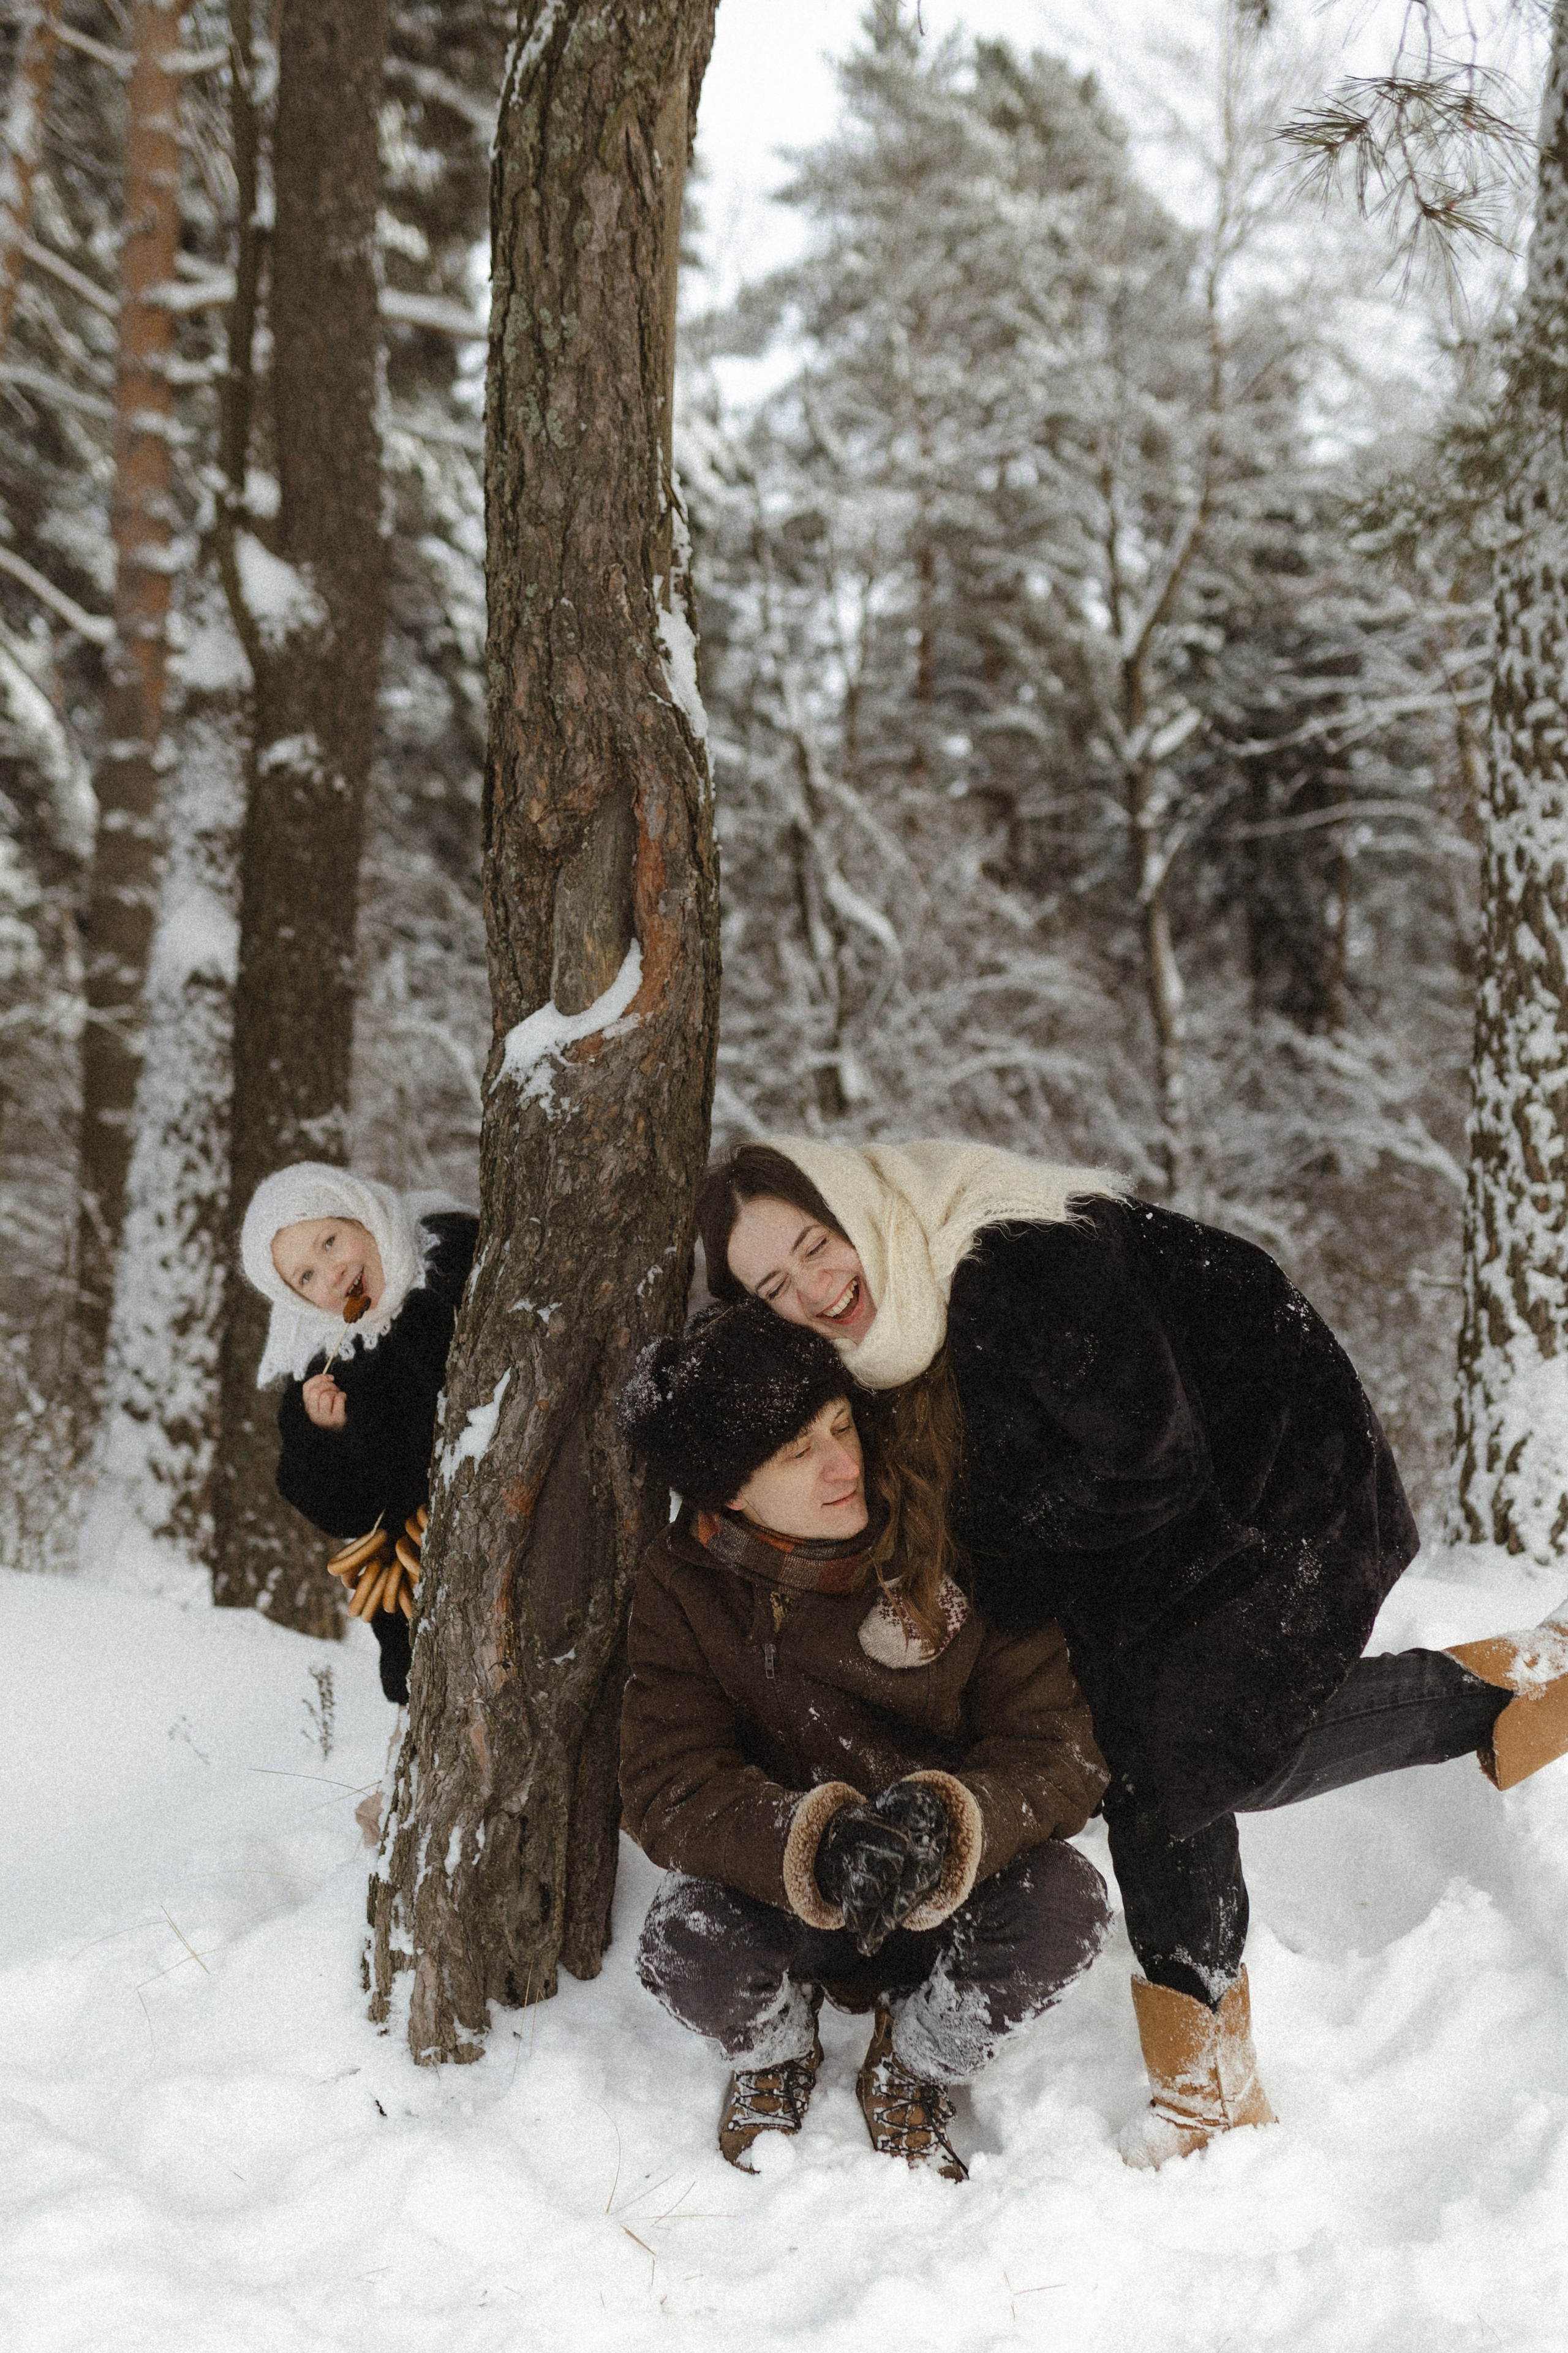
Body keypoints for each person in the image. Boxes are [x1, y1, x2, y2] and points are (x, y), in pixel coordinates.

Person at [697, 1138, 1568, 2166]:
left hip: (1274, 1475)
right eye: (774, 1286)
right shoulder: (884, 1323)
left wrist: (998, 1576)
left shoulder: (1013, 1259)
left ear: (854, 1207)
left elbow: (1145, 1462)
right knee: (1156, 1746)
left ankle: (1209, 2090)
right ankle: (1511, 1685)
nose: (812, 1289)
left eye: (815, 1244)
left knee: (1185, 1751)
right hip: (1145, 1513)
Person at [617, 1297, 1111, 2181]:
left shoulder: (962, 1540)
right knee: (684, 1937)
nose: (845, 1464)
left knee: (1066, 1906)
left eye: (841, 1426)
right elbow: (667, 1780)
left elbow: (1059, 1751)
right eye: (797, 1452)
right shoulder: (683, 1582)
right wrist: (814, 1842)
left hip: (944, 1895)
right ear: (730, 1492)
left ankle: (915, 2060)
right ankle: (776, 2050)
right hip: (786, 1893)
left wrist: (948, 1825)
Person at [239, 1162, 478, 1704]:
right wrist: (334, 1433)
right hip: (419, 1578)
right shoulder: (324, 1364)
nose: (332, 1273)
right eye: (305, 1277)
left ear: (361, 1216)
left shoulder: (452, 1256)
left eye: (330, 1241)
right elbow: (343, 1509)